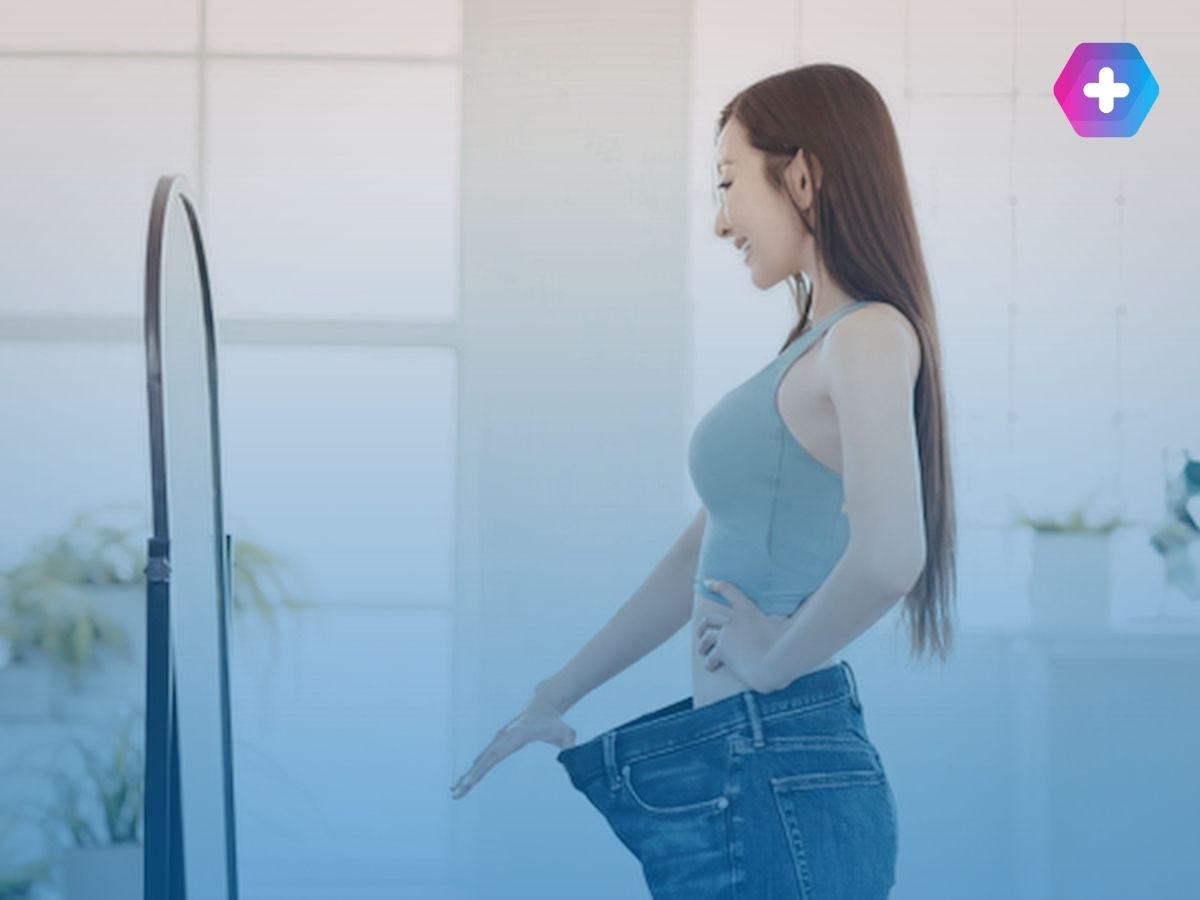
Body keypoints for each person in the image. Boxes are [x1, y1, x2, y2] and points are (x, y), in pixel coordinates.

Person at [449, 62, 957, 899]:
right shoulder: (813, 346)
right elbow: (701, 557)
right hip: (748, 761)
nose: (722, 223)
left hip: (780, 762)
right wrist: (555, 693)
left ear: (802, 175)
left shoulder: (868, 337)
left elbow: (892, 555)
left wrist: (773, 662)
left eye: (727, 184)